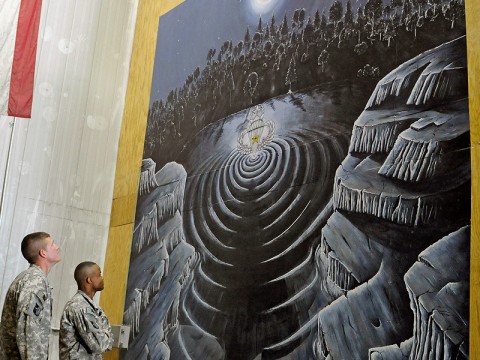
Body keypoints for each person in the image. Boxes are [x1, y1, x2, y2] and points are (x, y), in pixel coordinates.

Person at [0, 231, 61, 359]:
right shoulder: (35, 282)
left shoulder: (30, 278)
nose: (57, 247)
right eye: (53, 244)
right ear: (43, 253)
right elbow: (30, 332)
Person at [59, 261, 113, 359]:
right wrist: (107, 336)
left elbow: (104, 343)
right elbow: (99, 345)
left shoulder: (90, 306)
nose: (102, 278)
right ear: (89, 280)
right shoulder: (80, 307)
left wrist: (105, 338)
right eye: (99, 275)